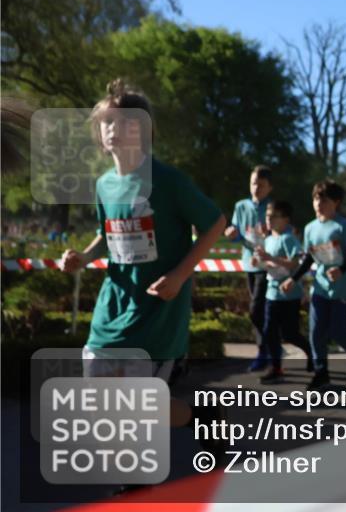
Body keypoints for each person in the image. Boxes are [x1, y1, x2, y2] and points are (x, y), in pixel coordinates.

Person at [58, 80, 226, 439]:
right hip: (113, 307)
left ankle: (189, 430)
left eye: (124, 121)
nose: (112, 129)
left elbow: (215, 223)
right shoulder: (104, 185)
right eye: (107, 122)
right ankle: (200, 419)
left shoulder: (167, 181)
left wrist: (180, 276)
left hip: (156, 310)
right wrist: (84, 258)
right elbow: (109, 233)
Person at [281, 180, 346, 390]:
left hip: (342, 288)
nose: (319, 203)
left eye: (324, 199)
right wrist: (294, 278)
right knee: (316, 331)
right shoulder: (310, 228)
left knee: (339, 332)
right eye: (316, 198)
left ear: (336, 202)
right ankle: (321, 372)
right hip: (319, 287)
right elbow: (309, 258)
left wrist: (341, 269)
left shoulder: (343, 225)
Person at [254, 200, 313, 383]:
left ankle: (312, 352)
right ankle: (276, 367)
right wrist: (261, 263)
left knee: (290, 333)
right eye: (267, 216)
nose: (269, 219)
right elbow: (271, 264)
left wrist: (270, 258)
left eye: (273, 216)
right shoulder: (268, 239)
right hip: (272, 293)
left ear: (285, 219)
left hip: (289, 294)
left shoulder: (289, 239)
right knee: (269, 330)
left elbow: (294, 263)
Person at [224, 165, 274, 372]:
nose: (256, 188)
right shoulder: (241, 206)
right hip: (249, 264)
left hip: (269, 265)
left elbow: (284, 235)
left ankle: (266, 350)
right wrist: (231, 233)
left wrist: (270, 233)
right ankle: (268, 348)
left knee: (256, 310)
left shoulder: (273, 207)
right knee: (258, 311)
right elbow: (237, 234)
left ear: (270, 188)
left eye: (261, 185)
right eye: (254, 183)